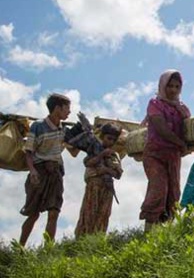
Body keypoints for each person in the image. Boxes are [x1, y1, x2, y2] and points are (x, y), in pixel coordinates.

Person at [19, 93, 78, 246]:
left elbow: (74, 152)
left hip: (56, 173)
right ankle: (20, 247)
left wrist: (83, 136)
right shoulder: (38, 126)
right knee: (33, 213)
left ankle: (48, 250)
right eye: (67, 108)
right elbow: (29, 151)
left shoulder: (64, 130)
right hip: (39, 172)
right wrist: (32, 171)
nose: (69, 112)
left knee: (54, 212)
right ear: (57, 108)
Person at [140, 70, 190, 232]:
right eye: (170, 86)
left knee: (173, 192)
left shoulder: (181, 108)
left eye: (177, 86)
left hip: (173, 155)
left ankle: (165, 232)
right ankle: (148, 232)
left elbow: (188, 128)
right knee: (158, 188)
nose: (174, 90)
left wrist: (184, 116)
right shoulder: (155, 104)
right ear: (163, 86)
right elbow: (161, 128)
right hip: (155, 153)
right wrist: (180, 143)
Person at [74, 122, 123, 237]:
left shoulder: (115, 155)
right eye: (108, 138)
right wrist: (101, 155)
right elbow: (88, 162)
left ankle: (98, 238)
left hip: (107, 187)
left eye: (113, 140)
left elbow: (118, 174)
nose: (110, 142)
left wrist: (106, 170)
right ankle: (82, 238)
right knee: (89, 212)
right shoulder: (94, 148)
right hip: (94, 185)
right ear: (102, 136)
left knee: (103, 213)